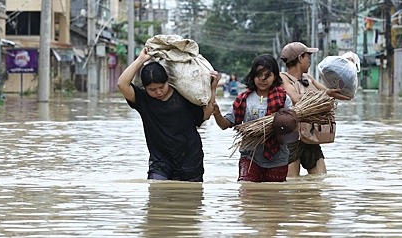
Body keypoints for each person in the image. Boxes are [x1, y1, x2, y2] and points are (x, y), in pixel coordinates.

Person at [117, 47, 219, 182]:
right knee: (156, 195)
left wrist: (213, 88)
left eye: (161, 87)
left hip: (190, 158)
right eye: (152, 89)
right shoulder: (142, 99)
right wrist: (141, 59)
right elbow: (122, 84)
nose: (158, 92)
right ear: (145, 88)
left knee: (190, 201)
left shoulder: (184, 95)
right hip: (160, 159)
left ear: (168, 81)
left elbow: (205, 115)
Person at [213, 54, 292, 182]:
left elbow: (290, 128)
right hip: (249, 156)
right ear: (252, 76)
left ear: (275, 77)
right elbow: (225, 124)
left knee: (276, 199)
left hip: (277, 158)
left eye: (267, 76)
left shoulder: (283, 99)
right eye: (258, 75)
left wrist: (280, 122)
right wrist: (216, 113)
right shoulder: (243, 99)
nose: (262, 79)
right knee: (247, 192)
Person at [279, 41, 350, 177]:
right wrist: (322, 95)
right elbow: (296, 99)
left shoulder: (308, 78)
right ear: (300, 58)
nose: (310, 60)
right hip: (291, 139)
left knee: (320, 179)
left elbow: (329, 92)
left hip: (310, 136)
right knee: (291, 184)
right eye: (308, 56)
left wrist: (347, 90)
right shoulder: (283, 78)